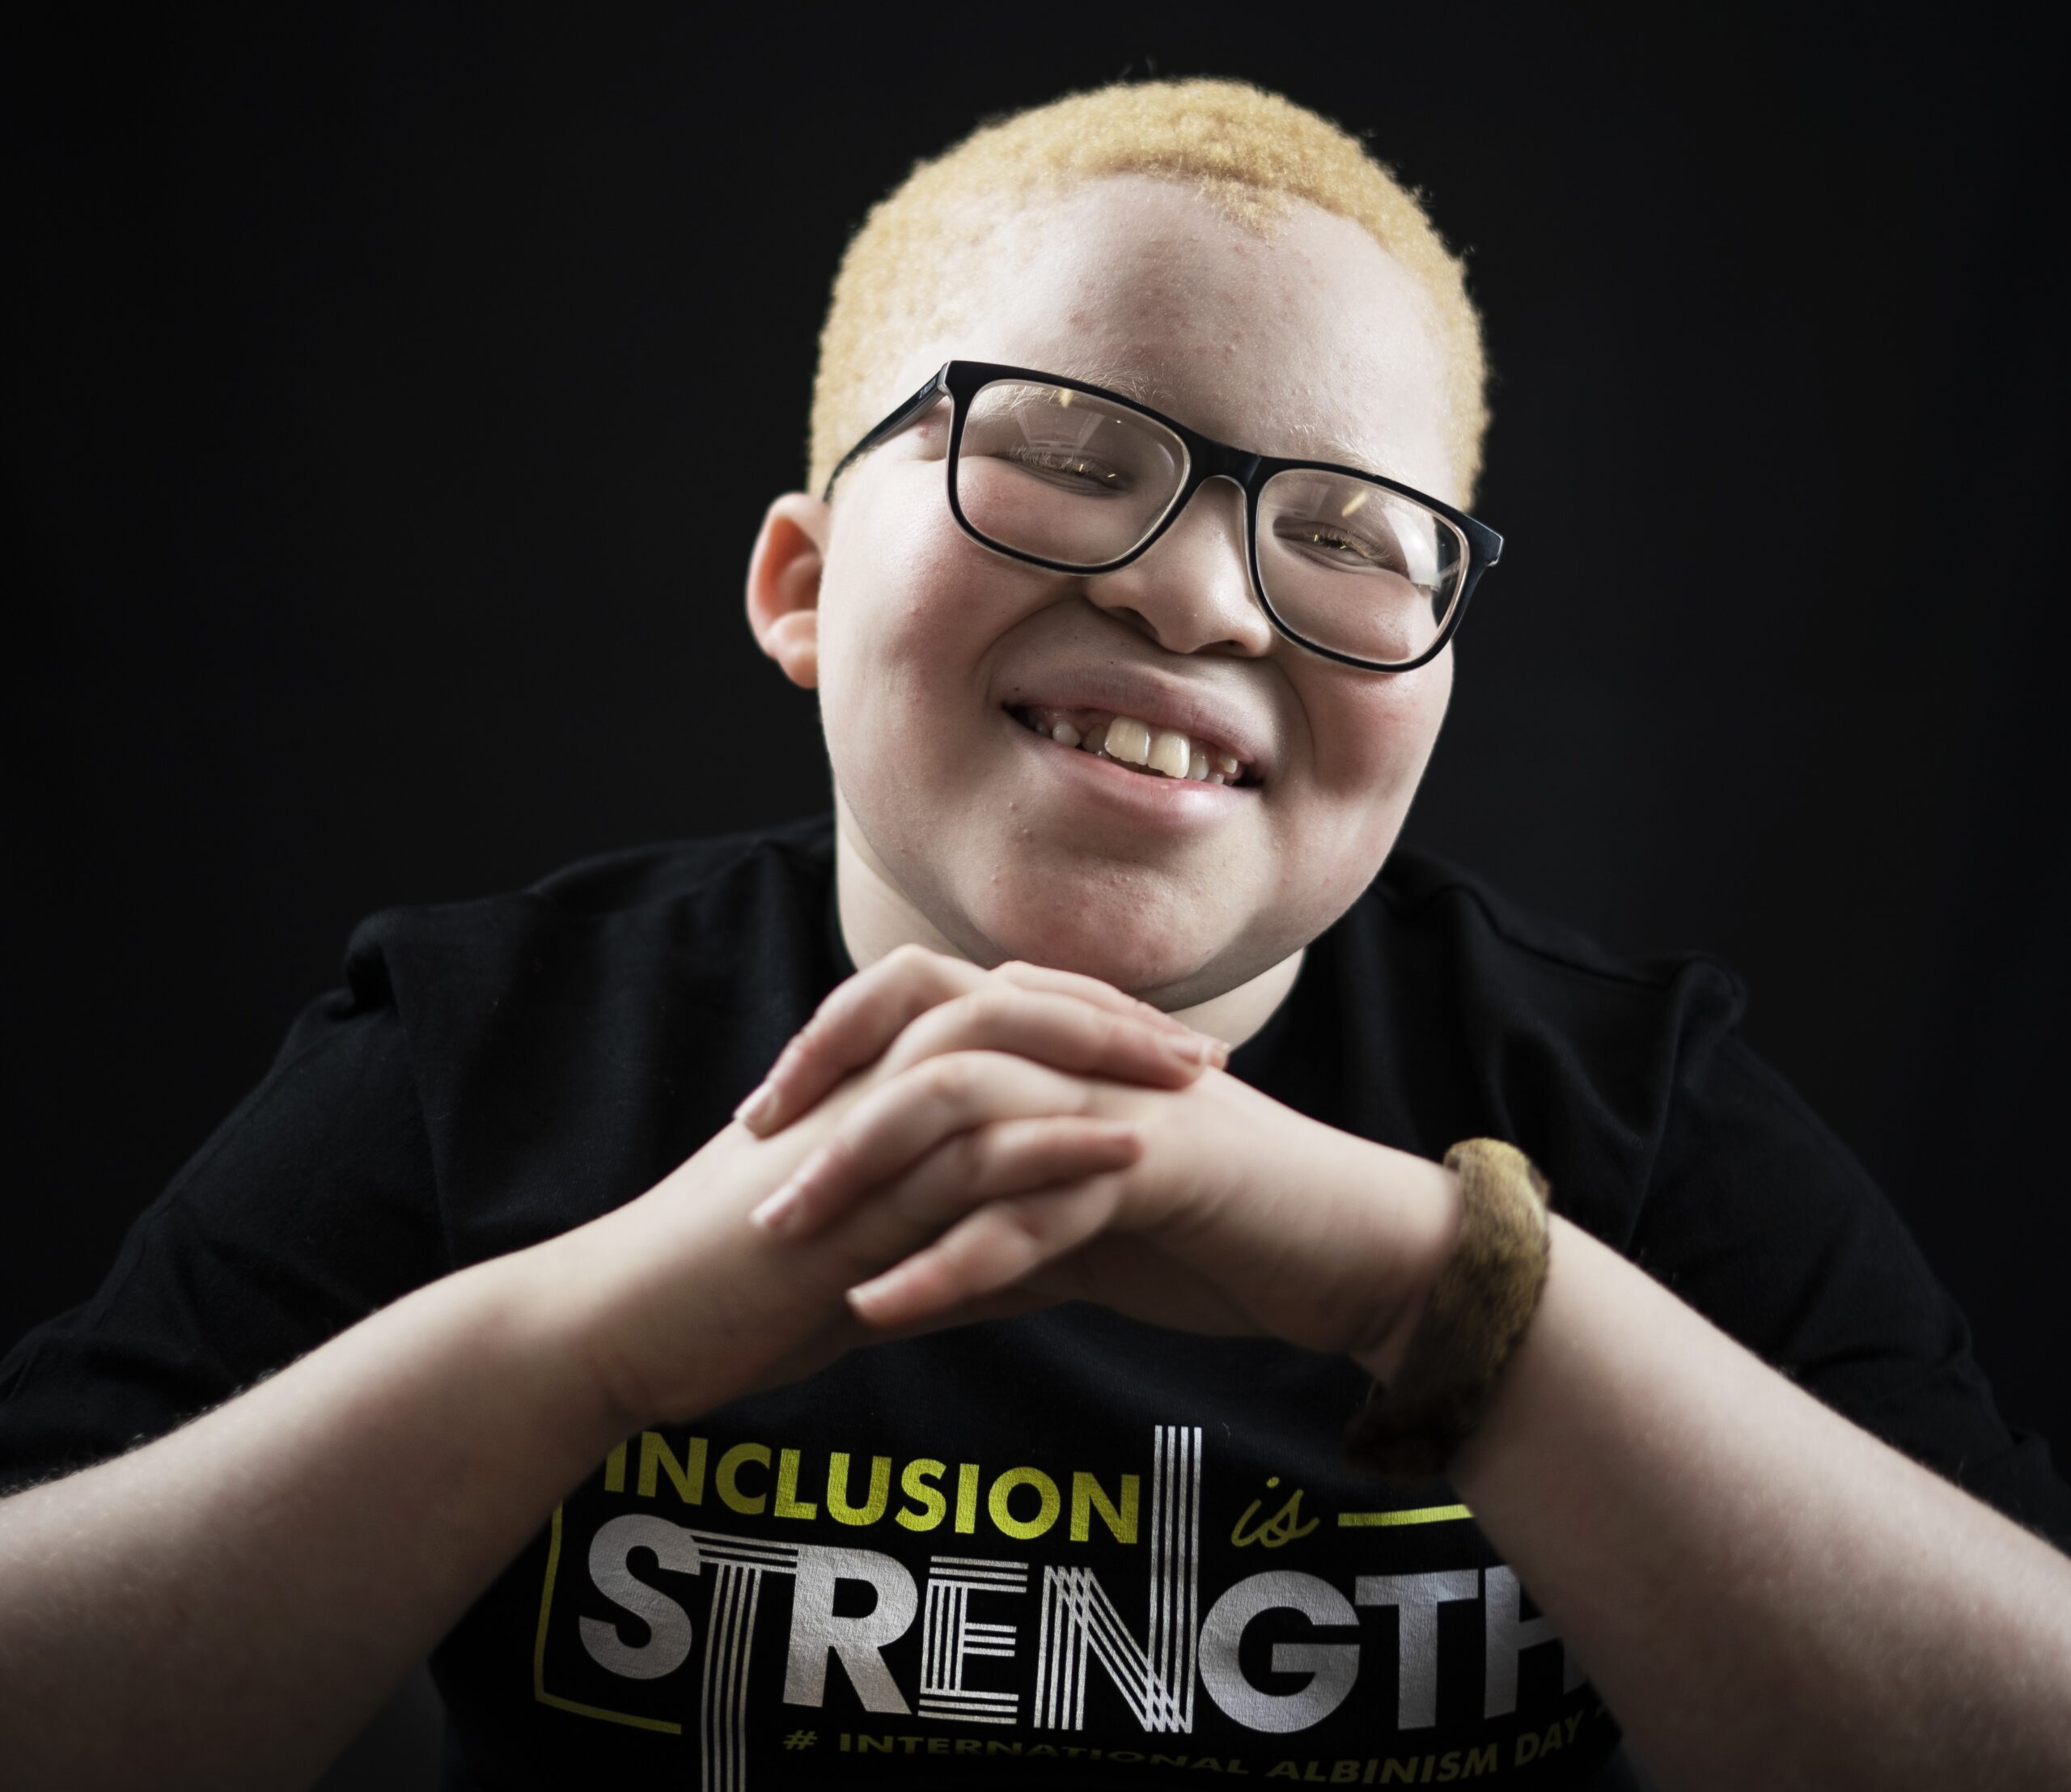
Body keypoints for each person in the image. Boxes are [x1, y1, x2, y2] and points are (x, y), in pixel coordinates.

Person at [2, 76, 2067, 1792]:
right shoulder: (479, 1050)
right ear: (803, 585)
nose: (1202, 599)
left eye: (1349, 538)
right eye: (1070, 461)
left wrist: (1437, 1286)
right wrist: (589, 1335)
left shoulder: (1624, 1114)